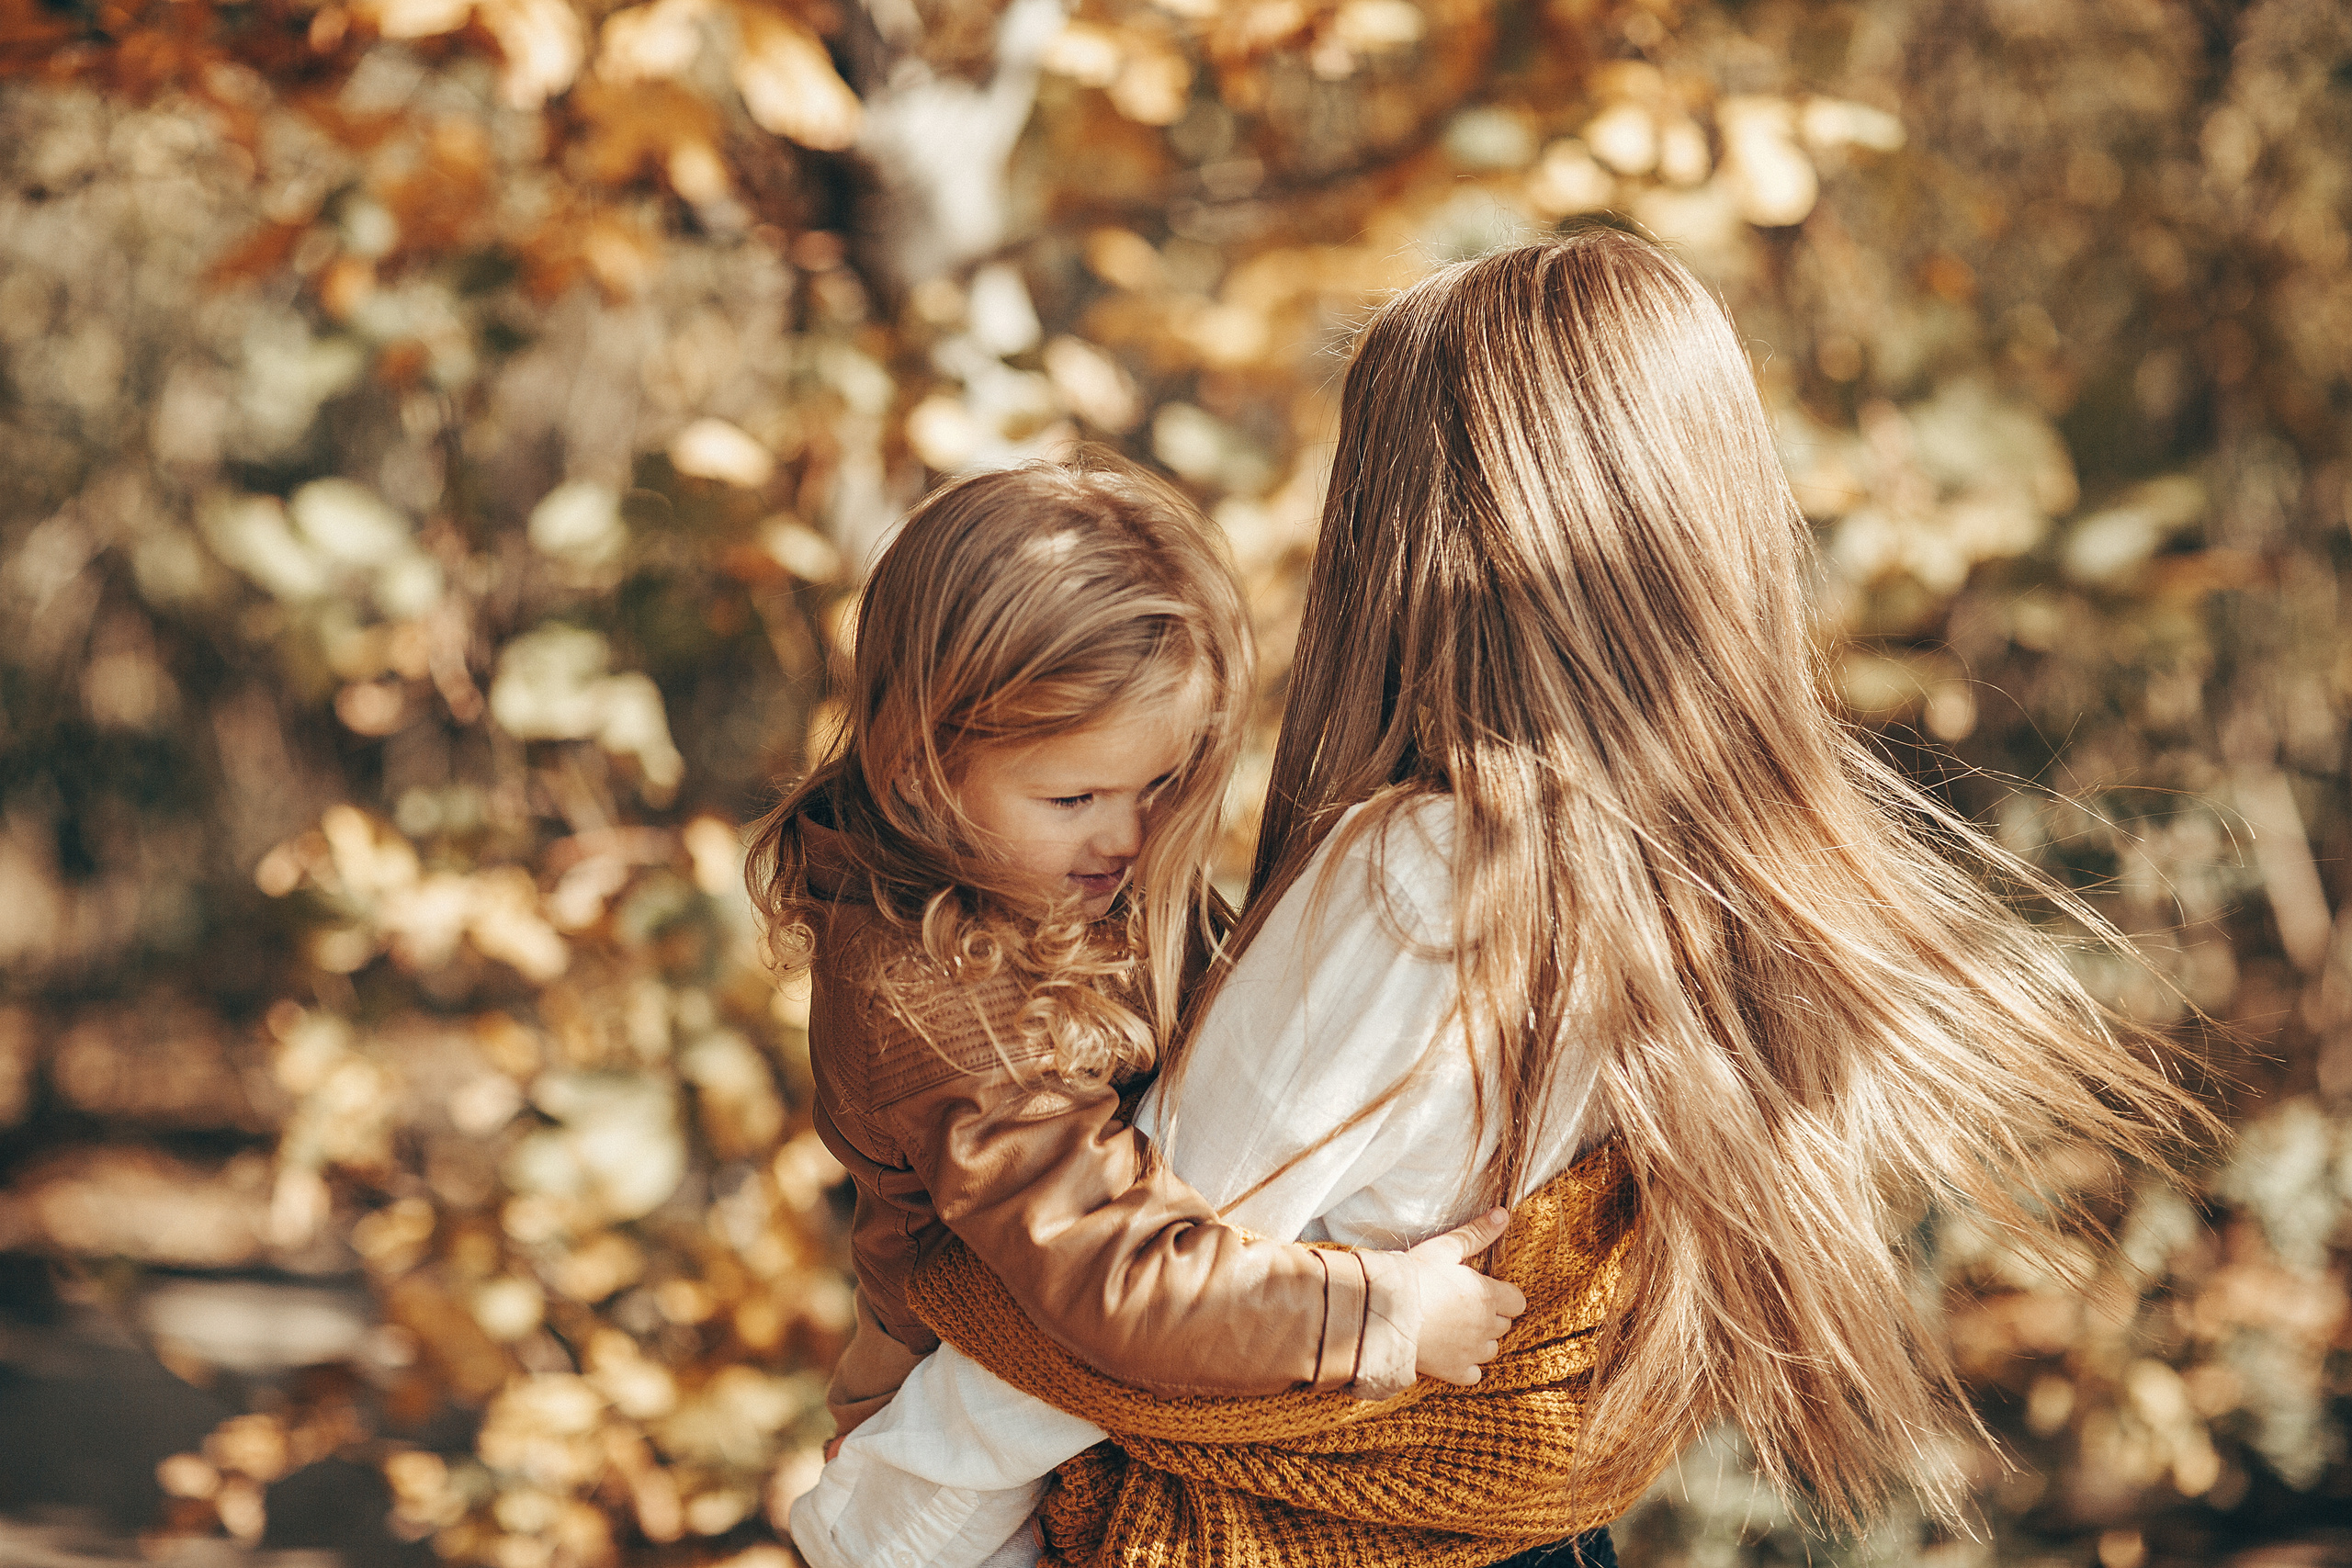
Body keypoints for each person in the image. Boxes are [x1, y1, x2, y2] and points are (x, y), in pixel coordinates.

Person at [791, 230, 2208, 1568]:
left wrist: (878, 1519)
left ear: (1407, 538)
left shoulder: (1429, 872)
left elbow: (1120, 1293)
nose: (1131, 829)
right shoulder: (1677, 874)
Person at [741, 461, 1528, 1542]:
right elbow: (1104, 1267)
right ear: (919, 767)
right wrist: (1371, 1315)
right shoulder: (933, 1000)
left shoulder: (1055, 873)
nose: (1124, 836)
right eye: (1074, 798)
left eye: (1157, 787)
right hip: (954, 1464)